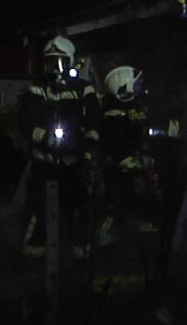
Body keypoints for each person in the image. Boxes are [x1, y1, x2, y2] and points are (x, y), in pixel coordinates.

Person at [17, 35, 101, 258]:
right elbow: (26, 123)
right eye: (51, 62)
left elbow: (94, 120)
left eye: (61, 62)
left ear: (71, 62)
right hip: (44, 162)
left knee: (78, 204)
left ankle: (81, 250)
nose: (55, 68)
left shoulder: (84, 89)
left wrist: (87, 146)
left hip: (74, 160)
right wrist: (45, 138)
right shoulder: (38, 90)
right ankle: (34, 250)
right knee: (40, 207)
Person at [97, 65, 162, 245]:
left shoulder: (136, 106)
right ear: (124, 85)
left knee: (139, 196)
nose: (140, 86)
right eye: (137, 83)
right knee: (116, 201)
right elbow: (116, 141)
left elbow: (141, 131)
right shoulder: (113, 113)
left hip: (135, 161)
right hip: (117, 166)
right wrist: (128, 162)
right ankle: (104, 235)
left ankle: (137, 227)